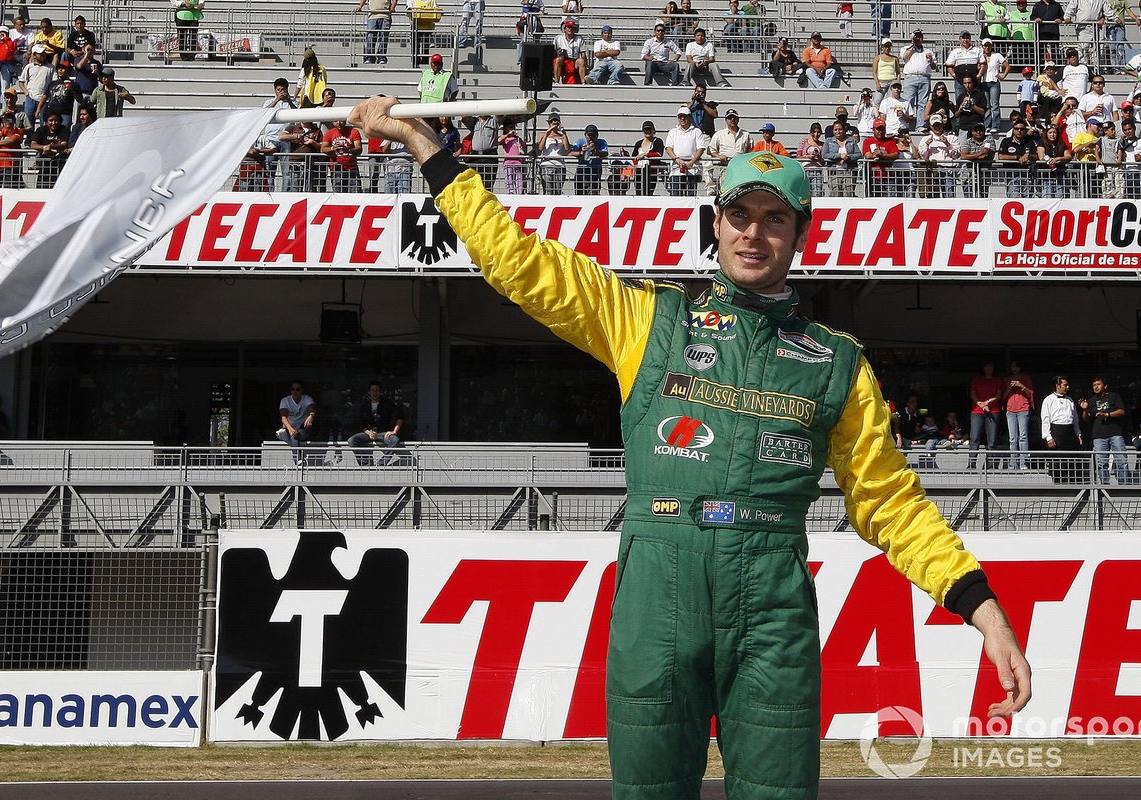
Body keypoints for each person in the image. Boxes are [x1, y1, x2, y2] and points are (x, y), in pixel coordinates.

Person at [347, 94, 1030, 800]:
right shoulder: (647, 319)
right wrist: (429, 149)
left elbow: (891, 505)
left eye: (774, 219)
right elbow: (518, 264)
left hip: (772, 602)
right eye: (740, 215)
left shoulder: (838, 363)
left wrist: (983, 608)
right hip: (658, 589)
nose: (754, 234)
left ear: (802, 234)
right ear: (717, 223)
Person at [1080, 376, 1129, 484]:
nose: (1096, 387)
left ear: (1105, 385)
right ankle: (1104, 485)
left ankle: (1124, 484)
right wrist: (1085, 409)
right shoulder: (1091, 400)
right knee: (1101, 462)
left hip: (1115, 433)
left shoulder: (1114, 396)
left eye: (1098, 384)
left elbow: (1122, 411)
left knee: (1121, 460)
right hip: (1098, 435)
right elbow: (1086, 419)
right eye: (1094, 385)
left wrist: (1107, 414)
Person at [346, 381, 405, 466]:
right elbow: (360, 423)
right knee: (352, 440)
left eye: (377, 390)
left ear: (381, 392)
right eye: (372, 390)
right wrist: (368, 432)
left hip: (383, 433)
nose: (375, 393)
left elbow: (400, 416)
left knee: (395, 440)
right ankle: (365, 464)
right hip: (368, 433)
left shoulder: (388, 404)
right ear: (369, 392)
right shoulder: (364, 406)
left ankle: (381, 463)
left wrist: (394, 431)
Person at [1040, 376, 1084, 483]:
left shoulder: (1070, 400)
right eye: (1065, 385)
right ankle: (1058, 486)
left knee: (1072, 462)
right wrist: (1048, 437)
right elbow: (1045, 420)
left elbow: (1075, 419)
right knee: (1058, 462)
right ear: (1057, 385)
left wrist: (1078, 434)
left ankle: (1073, 485)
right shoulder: (1048, 400)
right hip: (1056, 432)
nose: (1067, 387)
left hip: (1069, 432)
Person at [967, 360, 1004, 469]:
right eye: (987, 366)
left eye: (991, 366)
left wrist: (987, 402)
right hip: (977, 411)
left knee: (992, 440)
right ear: (983, 368)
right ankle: (972, 464)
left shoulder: (997, 380)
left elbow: (998, 395)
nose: (989, 368)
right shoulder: (977, 380)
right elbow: (972, 394)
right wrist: (981, 404)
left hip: (993, 411)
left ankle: (990, 465)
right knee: (974, 438)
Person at [663, 105, 707, 196]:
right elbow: (668, 148)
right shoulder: (673, 132)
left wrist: (692, 161)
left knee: (691, 197)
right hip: (676, 170)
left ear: (689, 117)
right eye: (680, 116)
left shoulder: (696, 131)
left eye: (685, 116)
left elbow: (701, 148)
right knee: (676, 197)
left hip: (692, 170)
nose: (682, 118)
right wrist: (677, 159)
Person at [708, 108, 751, 190]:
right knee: (725, 191)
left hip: (741, 168)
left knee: (740, 191)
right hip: (725, 167)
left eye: (734, 118)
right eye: (729, 118)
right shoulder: (719, 134)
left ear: (738, 119)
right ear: (725, 120)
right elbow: (711, 150)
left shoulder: (746, 134)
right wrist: (719, 156)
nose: (732, 120)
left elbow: (751, 150)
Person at [1002, 361, 1034, 469]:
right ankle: (1013, 463)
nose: (1014, 369)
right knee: (1012, 438)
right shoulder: (1007, 379)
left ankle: (1023, 462)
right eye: (1013, 366)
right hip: (1010, 409)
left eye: (1017, 367)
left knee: (1023, 436)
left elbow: (1031, 393)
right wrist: (1009, 388)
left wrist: (1021, 386)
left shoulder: (1025, 377)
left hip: (1023, 408)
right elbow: (1003, 397)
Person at [901, 30, 938, 121]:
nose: (918, 39)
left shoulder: (928, 51)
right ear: (912, 38)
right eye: (916, 37)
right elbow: (905, 57)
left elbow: (934, 67)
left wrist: (931, 61)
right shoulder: (906, 48)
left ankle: (920, 125)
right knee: (908, 101)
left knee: (923, 103)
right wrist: (913, 45)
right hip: (910, 77)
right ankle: (907, 124)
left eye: (920, 37)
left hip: (924, 78)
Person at [277, 380, 317, 460]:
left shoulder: (306, 399)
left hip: (301, 429)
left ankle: (297, 460)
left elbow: (312, 409)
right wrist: (290, 429)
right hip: (288, 428)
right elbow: (283, 417)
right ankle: (298, 461)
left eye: (298, 389)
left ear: (302, 390)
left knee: (294, 436)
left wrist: (311, 416)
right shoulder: (285, 400)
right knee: (292, 435)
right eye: (293, 389)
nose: (295, 391)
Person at [30, 110, 68, 189]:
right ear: (46, 122)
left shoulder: (64, 129)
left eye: (56, 120)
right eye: (51, 120)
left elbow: (64, 145)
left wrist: (51, 147)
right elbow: (33, 144)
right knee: (41, 189)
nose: (53, 123)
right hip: (44, 165)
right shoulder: (41, 130)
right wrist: (44, 148)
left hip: (59, 165)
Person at [323, 118, 364, 192]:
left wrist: (348, 150)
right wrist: (333, 148)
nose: (338, 123)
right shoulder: (329, 133)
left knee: (355, 193)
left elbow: (359, 148)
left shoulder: (354, 131)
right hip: (336, 168)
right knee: (338, 194)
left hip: (352, 167)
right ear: (332, 122)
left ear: (345, 121)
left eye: (341, 120)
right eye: (335, 121)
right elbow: (323, 149)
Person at [822, 119, 860, 195]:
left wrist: (848, 157)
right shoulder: (828, 141)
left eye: (840, 129)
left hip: (849, 172)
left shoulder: (851, 141)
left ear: (844, 130)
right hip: (834, 172)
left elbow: (859, 154)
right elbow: (824, 155)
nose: (838, 132)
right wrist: (839, 156)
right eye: (835, 130)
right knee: (835, 195)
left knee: (848, 195)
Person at [355, 0, 397, 64]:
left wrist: (393, 6)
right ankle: (370, 57)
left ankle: (381, 57)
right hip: (372, 15)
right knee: (370, 36)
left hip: (385, 15)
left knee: (383, 37)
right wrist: (360, 6)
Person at [569, 122, 607, 194]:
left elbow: (605, 153)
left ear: (597, 136)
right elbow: (570, 153)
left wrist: (595, 150)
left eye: (593, 135)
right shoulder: (580, 141)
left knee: (594, 196)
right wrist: (581, 152)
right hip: (581, 173)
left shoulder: (602, 142)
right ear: (585, 135)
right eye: (589, 135)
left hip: (595, 174)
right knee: (579, 196)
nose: (591, 137)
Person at [538, 113, 570, 193]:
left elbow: (567, 149)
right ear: (549, 123)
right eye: (552, 121)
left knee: (558, 191)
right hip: (546, 165)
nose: (554, 123)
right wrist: (547, 134)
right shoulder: (543, 134)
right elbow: (540, 148)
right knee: (548, 190)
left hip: (560, 165)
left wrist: (564, 132)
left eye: (556, 121)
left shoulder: (562, 136)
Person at [631, 119, 664, 196]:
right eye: (645, 129)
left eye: (649, 129)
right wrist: (632, 169)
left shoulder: (658, 141)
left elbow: (659, 154)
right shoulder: (638, 143)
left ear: (653, 130)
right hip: (639, 173)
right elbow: (634, 158)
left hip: (651, 173)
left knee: (649, 194)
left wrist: (645, 154)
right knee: (638, 193)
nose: (648, 131)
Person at [553, 19, 587, 84]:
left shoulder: (580, 39)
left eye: (572, 28)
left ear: (575, 29)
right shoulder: (558, 38)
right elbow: (553, 52)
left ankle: (583, 81)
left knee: (581, 61)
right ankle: (556, 81)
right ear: (564, 29)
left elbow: (583, 54)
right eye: (568, 27)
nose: (570, 29)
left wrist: (586, 64)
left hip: (574, 60)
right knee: (558, 60)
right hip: (562, 61)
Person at [498, 117, 527, 194]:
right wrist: (508, 134)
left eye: (513, 127)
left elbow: (524, 150)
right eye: (510, 127)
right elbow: (499, 140)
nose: (512, 129)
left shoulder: (518, 139)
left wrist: (521, 149)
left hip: (518, 163)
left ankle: (519, 195)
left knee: (519, 183)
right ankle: (510, 194)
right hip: (508, 163)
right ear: (505, 128)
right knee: (509, 182)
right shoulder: (506, 138)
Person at [796, 121, 826, 196]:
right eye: (814, 132)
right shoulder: (803, 142)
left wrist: (818, 157)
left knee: (817, 194)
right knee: (804, 194)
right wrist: (807, 157)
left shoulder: (823, 144)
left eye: (818, 132)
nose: (816, 134)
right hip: (805, 172)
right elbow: (798, 156)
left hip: (817, 173)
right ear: (810, 132)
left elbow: (824, 162)